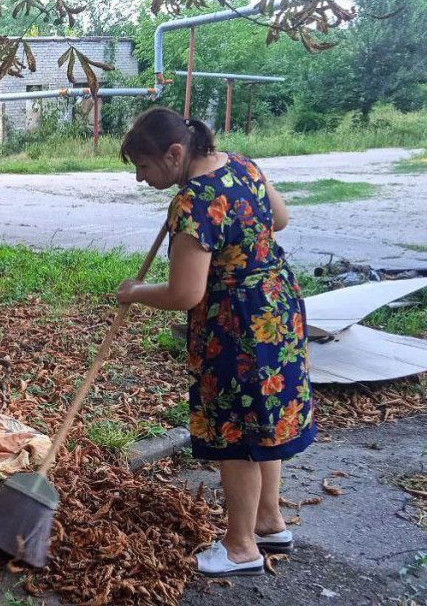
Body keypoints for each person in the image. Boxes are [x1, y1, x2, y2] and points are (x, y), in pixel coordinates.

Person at [115, 107, 314, 578]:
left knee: (237, 432)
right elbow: (280, 219)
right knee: (262, 423)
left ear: (175, 153)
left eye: (144, 166)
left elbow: (186, 293)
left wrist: (134, 292)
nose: (141, 179)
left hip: (236, 326)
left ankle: (241, 547)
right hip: (277, 310)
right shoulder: (243, 165)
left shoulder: (193, 202)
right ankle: (269, 522)